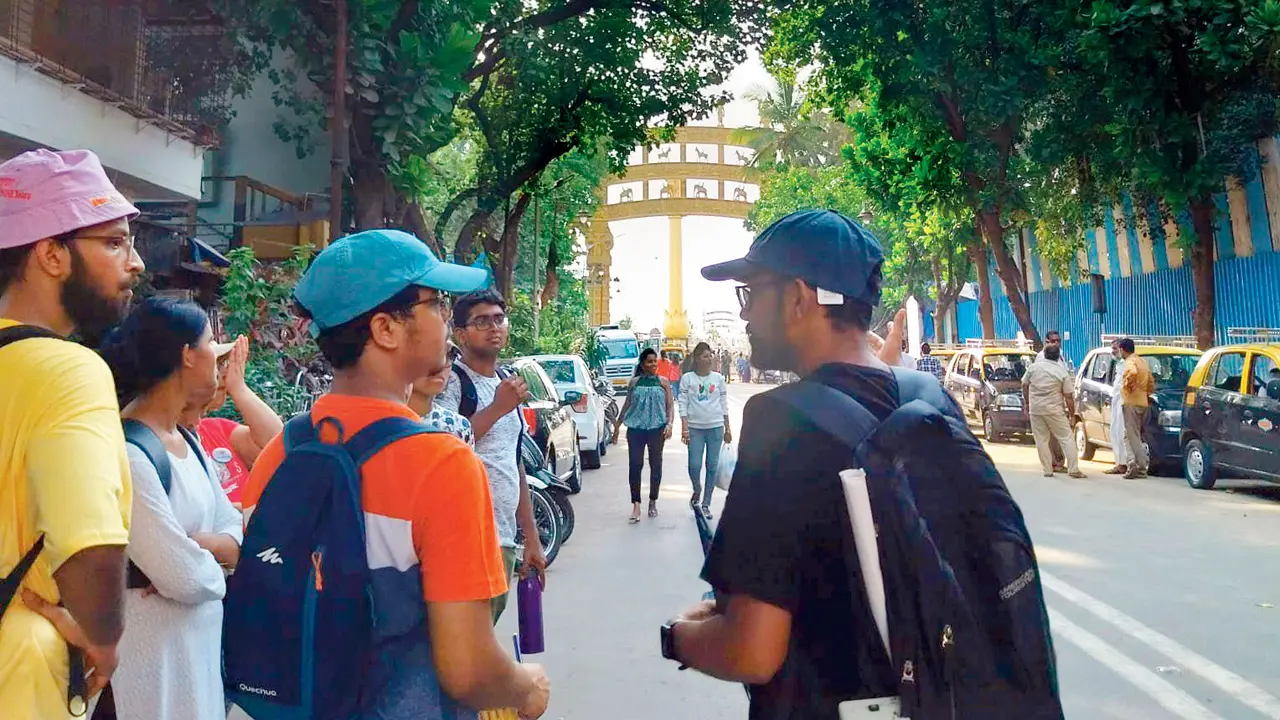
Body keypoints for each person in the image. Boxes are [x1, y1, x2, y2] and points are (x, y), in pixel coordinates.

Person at [661, 210, 971, 715]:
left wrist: (676, 637)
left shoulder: (780, 422)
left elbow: (752, 651)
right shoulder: (930, 398)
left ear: (800, 298)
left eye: (751, 294)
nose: (744, 316)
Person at [240, 229, 550, 719]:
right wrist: (525, 688)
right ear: (385, 330)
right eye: (437, 303)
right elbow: (468, 668)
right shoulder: (442, 465)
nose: (447, 318)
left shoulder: (283, 452)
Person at [0, 148, 143, 719]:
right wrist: (104, 640)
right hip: (23, 675)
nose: (134, 263)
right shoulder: (68, 371)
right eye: (113, 242)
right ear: (51, 254)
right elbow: (90, 544)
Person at [98, 298, 244, 720]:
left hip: (194, 658)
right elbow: (181, 577)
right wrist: (223, 562)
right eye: (210, 344)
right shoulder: (130, 452)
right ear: (186, 354)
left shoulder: (188, 441)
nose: (216, 359)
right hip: (147, 665)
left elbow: (233, 527)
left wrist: (200, 546)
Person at [437, 290, 547, 622]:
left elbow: (513, 464)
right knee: (468, 649)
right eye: (481, 321)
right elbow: (443, 448)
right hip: (466, 539)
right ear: (460, 334)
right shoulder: (451, 382)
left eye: (499, 319)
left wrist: (531, 538)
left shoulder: (504, 381)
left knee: (484, 634)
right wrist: (499, 408)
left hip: (502, 537)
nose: (493, 327)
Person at [186, 335, 284, 508]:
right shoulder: (166, 443)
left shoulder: (214, 428)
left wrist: (240, 389)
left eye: (223, 364)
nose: (224, 372)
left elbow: (277, 442)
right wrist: (248, 512)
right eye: (216, 364)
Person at [612, 348, 675, 523]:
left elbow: (670, 406)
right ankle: (636, 504)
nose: (653, 364)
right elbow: (626, 405)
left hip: (657, 430)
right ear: (642, 364)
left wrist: (670, 424)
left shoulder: (664, 382)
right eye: (649, 361)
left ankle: (653, 501)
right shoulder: (634, 383)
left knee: (656, 466)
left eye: (655, 361)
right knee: (635, 465)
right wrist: (617, 427)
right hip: (636, 430)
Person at [679, 342, 732, 520]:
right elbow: (683, 403)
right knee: (694, 465)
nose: (709, 359)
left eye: (710, 356)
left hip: (716, 427)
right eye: (705, 356)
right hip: (695, 429)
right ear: (696, 359)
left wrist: (728, 427)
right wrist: (684, 427)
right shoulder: (687, 379)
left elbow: (724, 404)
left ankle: (706, 503)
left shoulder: (718, 379)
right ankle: (697, 489)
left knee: (712, 466)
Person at [1022, 345, 1086, 478]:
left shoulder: (1034, 368)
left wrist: (1027, 402)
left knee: (1041, 440)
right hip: (1054, 410)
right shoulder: (1061, 371)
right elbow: (1068, 396)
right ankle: (1073, 469)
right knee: (1066, 438)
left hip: (1036, 409)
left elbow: (1024, 384)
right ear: (1058, 356)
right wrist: (1072, 414)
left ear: (1044, 354)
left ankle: (1047, 470)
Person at [408, 364, 474, 446]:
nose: (441, 363)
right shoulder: (389, 419)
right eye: (429, 354)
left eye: (450, 355)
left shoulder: (459, 426)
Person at [1117, 337, 1155, 479]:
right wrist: (1147, 393)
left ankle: (1140, 466)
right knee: (1130, 435)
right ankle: (1131, 462)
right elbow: (1151, 381)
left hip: (1131, 402)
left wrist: (1128, 386)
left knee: (1133, 436)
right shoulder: (1142, 362)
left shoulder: (1130, 362)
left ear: (1122, 349)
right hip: (1142, 402)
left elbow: (1132, 373)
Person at [1105, 340, 1133, 475]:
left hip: (1124, 401)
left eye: (1116, 349)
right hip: (1117, 401)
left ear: (1122, 349)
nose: (1113, 351)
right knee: (1115, 431)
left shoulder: (1128, 363)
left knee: (1121, 432)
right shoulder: (1119, 363)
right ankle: (1120, 462)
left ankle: (1123, 464)